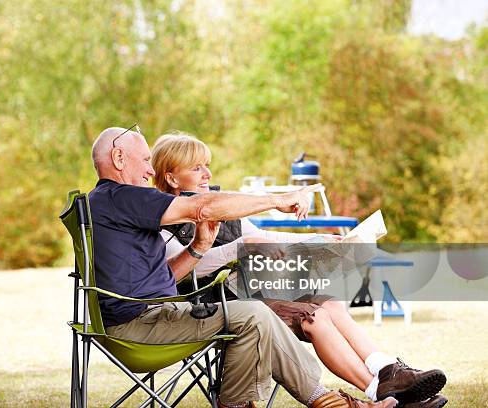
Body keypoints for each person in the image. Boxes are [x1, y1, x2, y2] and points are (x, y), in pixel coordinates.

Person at [89, 126, 400, 408]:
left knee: (260, 312)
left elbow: (164, 276)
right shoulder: (123, 197)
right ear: (118, 157)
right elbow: (203, 207)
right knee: (253, 313)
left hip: (151, 314)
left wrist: (198, 247)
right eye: (144, 160)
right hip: (142, 323)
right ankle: (328, 403)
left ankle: (336, 398)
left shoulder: (110, 204)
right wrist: (278, 200)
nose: (148, 169)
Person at [150, 132, 448, 408]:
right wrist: (241, 247)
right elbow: (186, 269)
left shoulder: (223, 207)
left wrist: (321, 240)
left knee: (327, 300)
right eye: (196, 168)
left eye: (207, 165)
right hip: (215, 308)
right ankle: (378, 391)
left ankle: (386, 369)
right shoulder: (163, 222)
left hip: (250, 292)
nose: (208, 174)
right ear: (171, 177)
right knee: (313, 317)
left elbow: (265, 237)